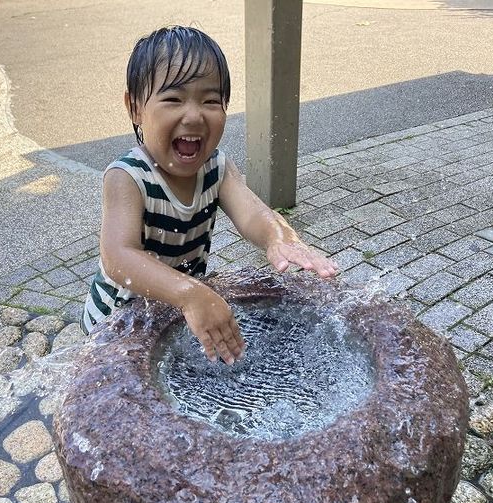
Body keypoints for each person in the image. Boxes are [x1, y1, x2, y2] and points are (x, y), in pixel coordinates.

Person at [81, 25, 338, 364]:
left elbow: (253, 214)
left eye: (211, 101)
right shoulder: (127, 177)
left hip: (178, 307)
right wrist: (189, 293)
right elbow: (118, 256)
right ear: (135, 108)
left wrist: (278, 238)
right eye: (173, 99)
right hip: (118, 323)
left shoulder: (217, 167)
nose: (194, 115)